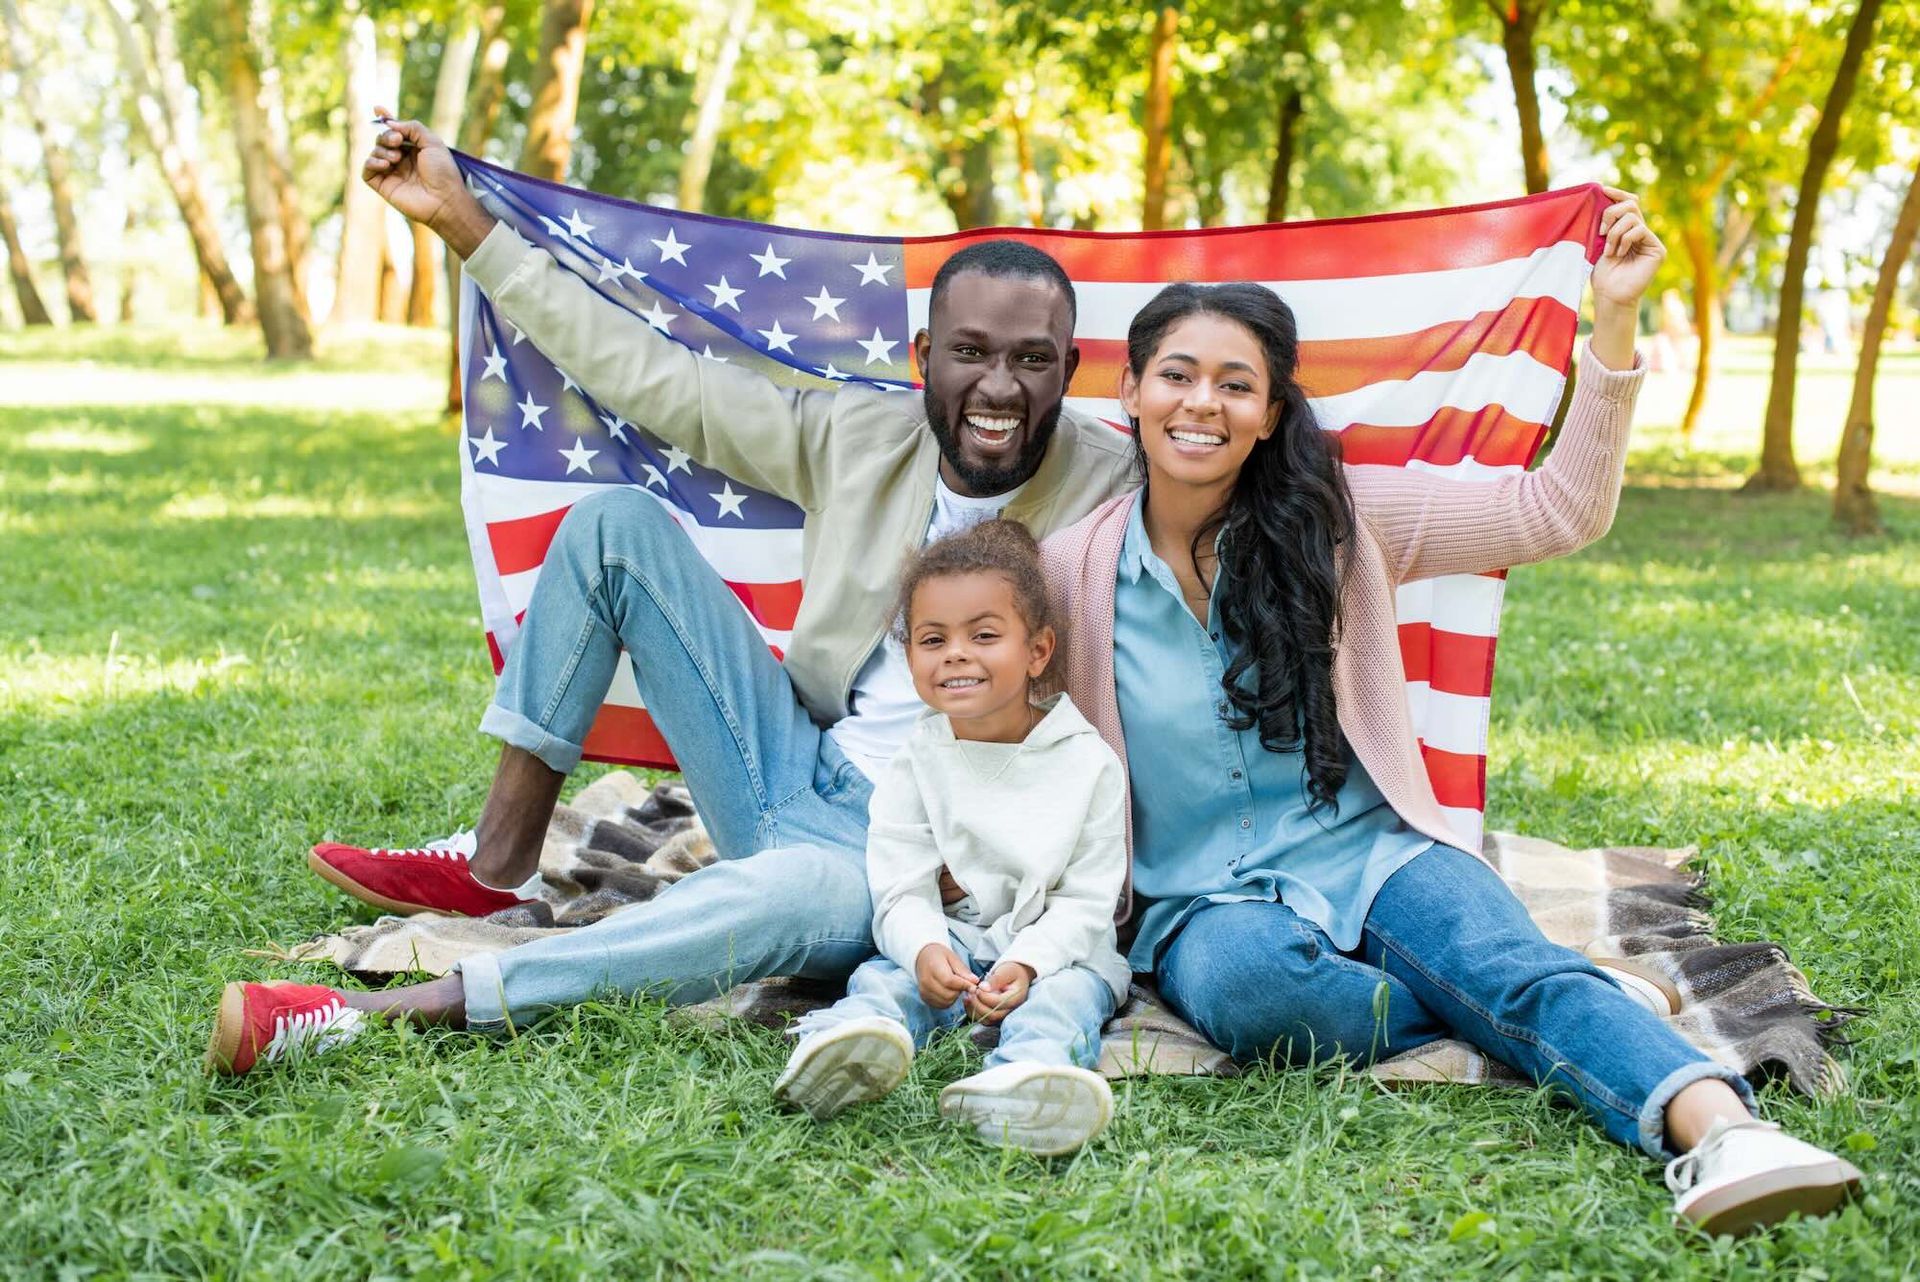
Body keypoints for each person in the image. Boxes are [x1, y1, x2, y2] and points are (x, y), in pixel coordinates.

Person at [203, 112, 1135, 1073]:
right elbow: (664, 383)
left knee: (773, 903)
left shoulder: (1118, 487)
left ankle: (394, 1010)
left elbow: (1253, 533)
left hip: (905, 863)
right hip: (792, 767)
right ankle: (496, 866)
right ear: (922, 356)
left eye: (1032, 361)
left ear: (1070, 369)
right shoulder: (862, 436)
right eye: (971, 352)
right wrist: (462, 222)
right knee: (614, 528)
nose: (1000, 386)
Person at [1035, 189, 1863, 1236]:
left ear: (1273, 413)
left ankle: (1727, 1135)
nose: (1204, 403)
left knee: (1500, 963)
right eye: (1179, 376)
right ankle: (1565, 996)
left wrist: (1611, 323)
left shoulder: (1340, 522)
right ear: (1134, 393)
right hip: (1199, 905)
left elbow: (1557, 509)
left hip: (1372, 852)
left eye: (1236, 384)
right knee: (1255, 998)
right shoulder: (1069, 570)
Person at [772, 520, 1129, 1156]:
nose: (956, 654)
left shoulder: (1088, 761)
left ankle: (1026, 1082)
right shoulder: (915, 761)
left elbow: (1088, 901)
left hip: (1065, 948)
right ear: (908, 656)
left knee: (1067, 998)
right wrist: (926, 948)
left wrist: (1028, 962)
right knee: (887, 976)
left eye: (985, 636)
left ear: (1038, 651)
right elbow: (901, 887)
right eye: (932, 639)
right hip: (962, 935)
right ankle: (850, 1046)